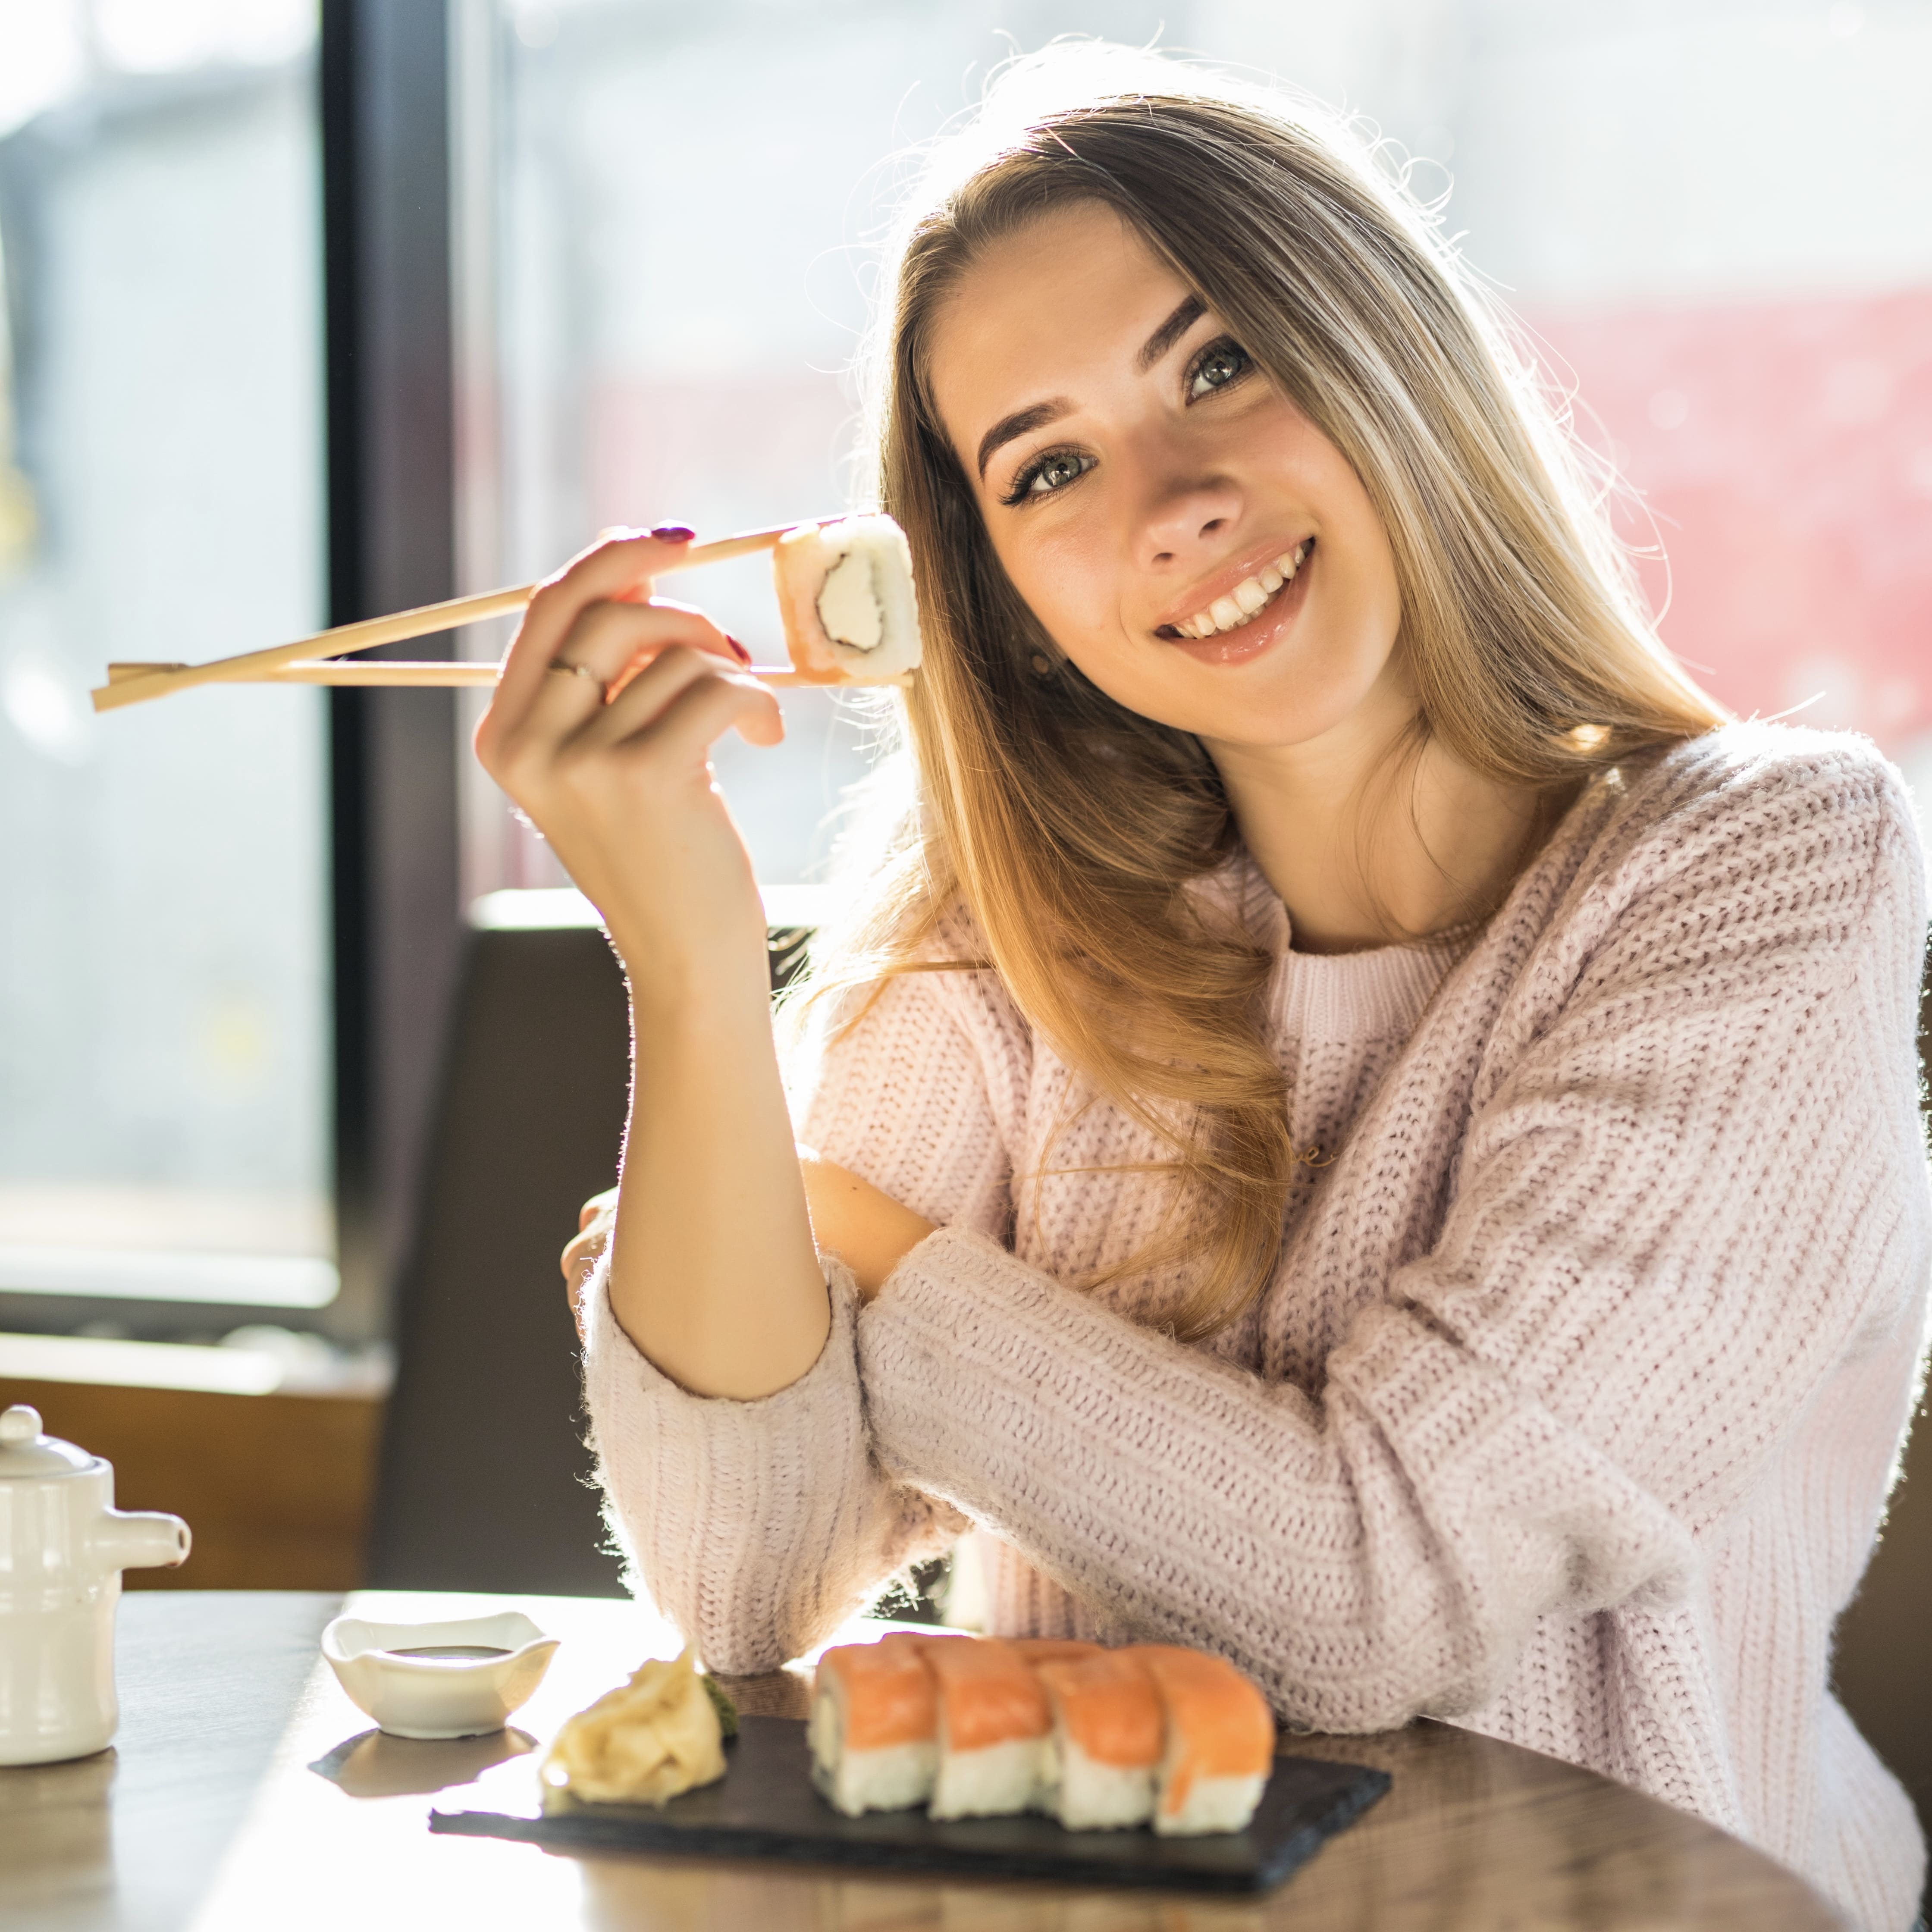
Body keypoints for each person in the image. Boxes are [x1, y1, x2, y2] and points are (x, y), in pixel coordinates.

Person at [477, 47, 1929, 1929]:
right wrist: (680, 950)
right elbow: (745, 1575)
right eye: (1050, 466)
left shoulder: (1758, 861)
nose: (1168, 504)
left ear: (1375, 342)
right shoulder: (1008, 937)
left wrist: (861, 1250)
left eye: (1218, 363)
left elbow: (1374, 1585)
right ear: (1002, 597)